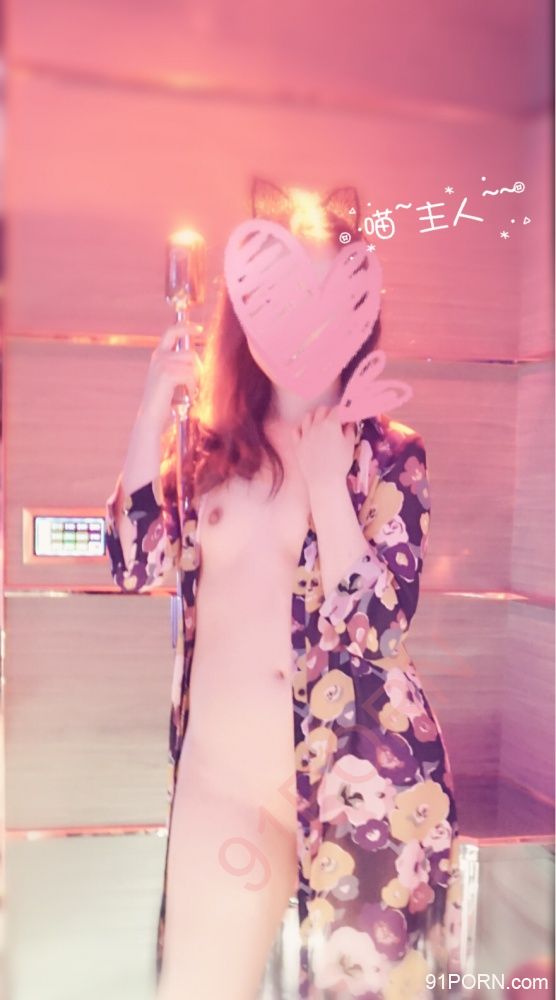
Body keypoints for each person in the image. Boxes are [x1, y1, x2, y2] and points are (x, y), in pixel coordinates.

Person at [105, 180, 462, 1000]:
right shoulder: (211, 449)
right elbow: (133, 562)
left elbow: (381, 629)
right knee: (197, 987)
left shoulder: (389, 454)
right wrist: (151, 412)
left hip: (363, 787)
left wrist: (329, 487)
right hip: (222, 781)